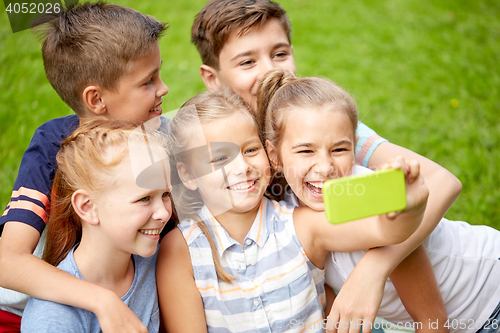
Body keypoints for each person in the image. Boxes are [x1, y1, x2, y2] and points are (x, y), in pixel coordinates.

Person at [190, 0, 461, 330]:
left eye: (279, 54)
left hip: (467, 294)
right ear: (212, 78)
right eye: (248, 61)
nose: (268, 70)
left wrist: (374, 269)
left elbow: (442, 182)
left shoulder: (323, 128)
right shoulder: (224, 156)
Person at [156, 89, 429, 332]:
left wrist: (408, 206)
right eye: (219, 158)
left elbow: (384, 230)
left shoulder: (299, 225)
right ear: (188, 175)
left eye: (251, 150)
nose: (242, 167)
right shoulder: (180, 250)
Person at [258, 69, 500, 333]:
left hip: (489, 298)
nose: (325, 167)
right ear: (274, 155)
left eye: (339, 149)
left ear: (355, 146)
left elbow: (433, 322)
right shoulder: (289, 214)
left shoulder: (374, 207)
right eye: (306, 150)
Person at [0, 3, 169, 332]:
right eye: (148, 81)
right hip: (27, 310)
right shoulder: (53, 145)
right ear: (95, 100)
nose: (163, 89)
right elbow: (7, 262)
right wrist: (103, 301)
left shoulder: (155, 138)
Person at [20, 117, 171, 332]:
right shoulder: (53, 318)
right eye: (144, 198)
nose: (164, 212)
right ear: (88, 207)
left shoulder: (157, 260)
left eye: (166, 194)